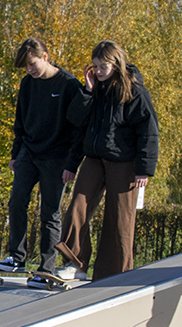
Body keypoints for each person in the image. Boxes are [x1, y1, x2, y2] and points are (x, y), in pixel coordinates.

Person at [55, 40, 159, 281]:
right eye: (95, 66)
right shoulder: (95, 90)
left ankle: (114, 274)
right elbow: (77, 123)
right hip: (94, 158)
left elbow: (149, 132)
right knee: (77, 206)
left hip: (125, 162)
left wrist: (144, 169)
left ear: (116, 64)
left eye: (103, 67)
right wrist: (88, 91)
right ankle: (75, 263)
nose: (99, 71)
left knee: (119, 218)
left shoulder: (135, 92)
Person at [0, 38, 84, 289]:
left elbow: (79, 128)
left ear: (45, 57)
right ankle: (16, 257)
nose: (29, 70)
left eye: (32, 64)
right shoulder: (27, 83)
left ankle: (46, 267)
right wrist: (15, 153)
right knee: (16, 201)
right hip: (29, 152)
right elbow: (20, 120)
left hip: (57, 157)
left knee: (49, 213)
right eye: (25, 67)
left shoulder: (69, 84)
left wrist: (72, 164)